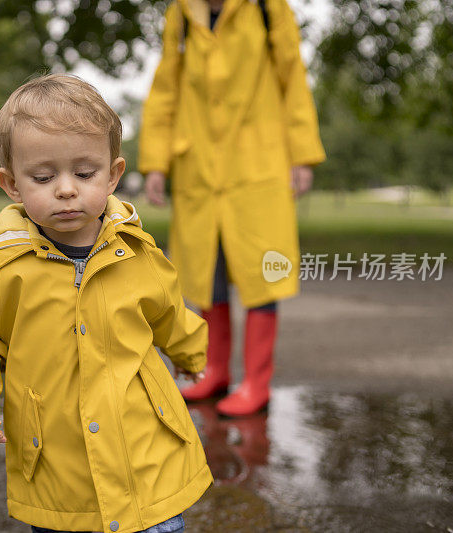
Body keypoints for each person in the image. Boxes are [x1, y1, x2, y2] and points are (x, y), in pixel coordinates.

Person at [0, 74, 214, 533]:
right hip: (57, 470)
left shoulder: (137, 252)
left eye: (84, 174)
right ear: (11, 185)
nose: (66, 189)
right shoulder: (1, 268)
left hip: (146, 456)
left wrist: (190, 353)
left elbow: (170, 312)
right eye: (44, 177)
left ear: (112, 176)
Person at [138, 0, 326, 417]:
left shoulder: (267, 7)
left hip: (258, 163)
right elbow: (165, 86)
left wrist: (301, 156)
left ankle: (257, 382)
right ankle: (215, 372)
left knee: (264, 272)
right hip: (198, 166)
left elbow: (292, 76)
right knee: (207, 272)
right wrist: (155, 162)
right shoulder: (181, 14)